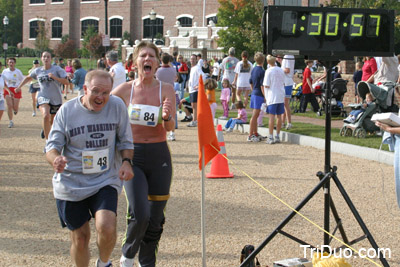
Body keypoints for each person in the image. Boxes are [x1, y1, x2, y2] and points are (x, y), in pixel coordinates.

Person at [45, 70, 134, 267]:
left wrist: (127, 162)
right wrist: (55, 160)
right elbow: (51, 147)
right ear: (84, 89)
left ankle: (103, 263)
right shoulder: (67, 111)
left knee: (107, 226)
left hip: (105, 178)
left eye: (106, 93)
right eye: (95, 91)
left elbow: (126, 141)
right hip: (71, 183)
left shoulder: (117, 106)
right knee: (81, 238)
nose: (101, 98)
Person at [111, 41, 176, 267]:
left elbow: (170, 128)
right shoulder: (124, 90)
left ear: (157, 63)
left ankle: (147, 261)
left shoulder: (166, 89)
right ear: (135, 62)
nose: (147, 59)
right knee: (140, 213)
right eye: (143, 56)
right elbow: (101, 106)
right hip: (132, 156)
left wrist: (167, 117)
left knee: (156, 217)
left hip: (159, 155)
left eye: (152, 56)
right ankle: (128, 255)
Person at [15, 51, 68, 142]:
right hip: (43, 96)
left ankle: (45, 129)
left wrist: (55, 78)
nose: (46, 58)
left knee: (52, 121)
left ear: (51, 59)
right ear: (41, 59)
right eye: (44, 57)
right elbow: (28, 77)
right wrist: (19, 87)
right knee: (45, 115)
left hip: (55, 98)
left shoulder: (57, 69)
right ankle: (48, 142)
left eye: (48, 57)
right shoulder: (38, 70)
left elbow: (66, 82)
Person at [263, 55, 285, 144]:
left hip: (272, 95)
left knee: (271, 117)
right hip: (280, 95)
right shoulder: (280, 70)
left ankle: (271, 136)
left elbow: (266, 85)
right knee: (279, 116)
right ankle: (277, 135)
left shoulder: (268, 71)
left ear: (268, 62)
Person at [156, 53, 178, 141]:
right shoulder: (173, 70)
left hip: (160, 92)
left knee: (160, 112)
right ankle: (172, 133)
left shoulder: (158, 70)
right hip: (171, 91)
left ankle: (160, 131)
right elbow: (175, 78)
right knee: (172, 112)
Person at [2, 57, 25, 128]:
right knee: (9, 105)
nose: (11, 64)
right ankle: (11, 121)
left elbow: (23, 80)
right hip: (8, 89)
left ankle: (15, 110)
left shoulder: (18, 71)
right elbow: (2, 81)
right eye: (10, 62)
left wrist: (19, 87)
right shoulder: (5, 71)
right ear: (8, 63)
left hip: (16, 89)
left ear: (14, 63)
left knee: (15, 108)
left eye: (12, 62)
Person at [248, 52, 266, 142]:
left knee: (256, 114)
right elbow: (262, 85)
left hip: (254, 92)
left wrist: (253, 90)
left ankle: (255, 132)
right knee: (255, 115)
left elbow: (250, 81)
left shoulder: (254, 69)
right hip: (259, 94)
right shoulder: (262, 71)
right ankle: (250, 134)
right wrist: (265, 96)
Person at [187, 54, 206, 127]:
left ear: (196, 60)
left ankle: (195, 120)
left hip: (195, 90)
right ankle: (195, 119)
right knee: (193, 105)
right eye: (191, 59)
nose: (192, 60)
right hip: (192, 89)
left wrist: (199, 85)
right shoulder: (192, 68)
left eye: (193, 59)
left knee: (194, 106)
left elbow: (203, 76)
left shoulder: (197, 68)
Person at [277, 54, 295, 130]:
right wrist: (281, 62)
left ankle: (289, 122)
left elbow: (287, 70)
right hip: (286, 82)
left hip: (287, 82)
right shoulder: (288, 57)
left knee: (285, 103)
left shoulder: (288, 56)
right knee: (284, 103)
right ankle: (283, 122)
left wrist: (279, 69)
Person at [0, 62, 6, 131]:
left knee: (1, 111)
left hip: (1, 99)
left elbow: (5, 85)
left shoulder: (2, 76)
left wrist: (10, 92)